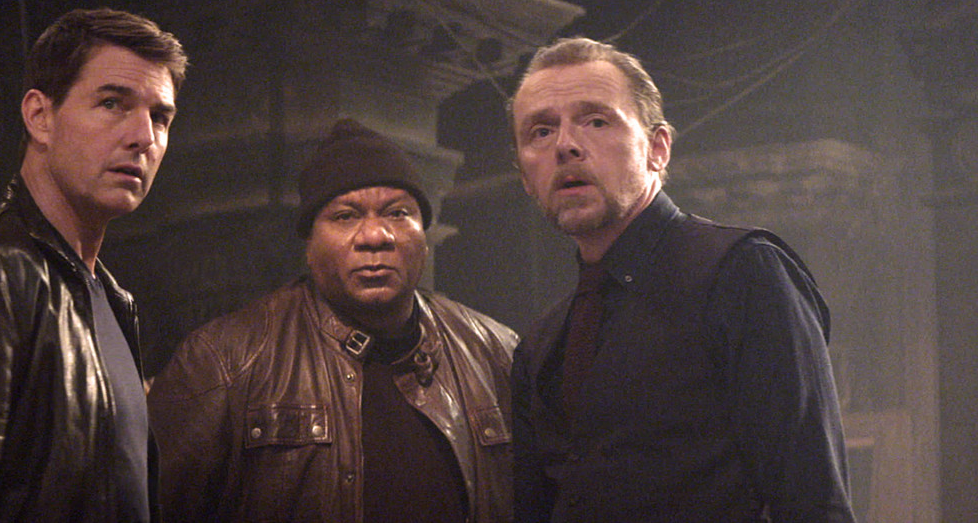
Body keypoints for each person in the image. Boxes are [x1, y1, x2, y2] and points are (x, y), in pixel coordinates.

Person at [508, 36, 856, 522]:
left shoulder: (741, 272)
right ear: (525, 177)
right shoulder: (543, 341)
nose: (565, 145)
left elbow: (812, 498)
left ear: (657, 148)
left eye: (596, 121)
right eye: (541, 131)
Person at [0, 8, 186, 522]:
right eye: (112, 103)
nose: (144, 136)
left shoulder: (110, 298)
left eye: (160, 117)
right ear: (39, 116)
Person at [147, 119, 519, 522]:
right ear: (309, 244)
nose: (375, 236)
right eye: (345, 216)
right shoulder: (227, 360)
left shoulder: (494, 351)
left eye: (398, 213)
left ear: (423, 235)